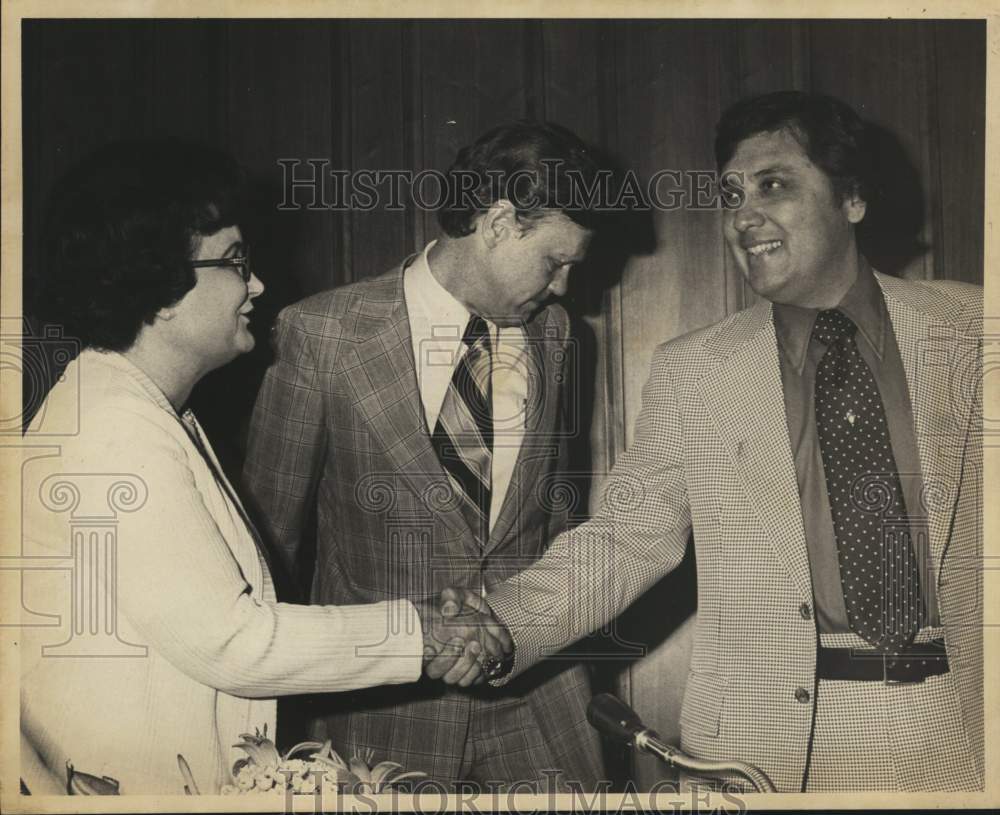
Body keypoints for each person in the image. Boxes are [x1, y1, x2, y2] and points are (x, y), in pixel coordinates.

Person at [448, 91, 984, 792]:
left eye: (774, 185)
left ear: (851, 198)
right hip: (770, 747)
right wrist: (499, 624)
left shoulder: (975, 326)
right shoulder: (696, 371)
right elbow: (626, 537)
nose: (743, 214)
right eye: (731, 193)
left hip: (960, 727)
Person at [19, 141, 501, 796]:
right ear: (159, 286)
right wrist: (423, 631)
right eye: (236, 262)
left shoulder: (144, 411)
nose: (257, 285)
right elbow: (234, 642)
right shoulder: (113, 426)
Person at [243, 121, 606, 791]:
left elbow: (554, 522)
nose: (562, 288)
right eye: (556, 261)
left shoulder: (556, 334)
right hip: (381, 712)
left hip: (538, 696)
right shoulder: (323, 332)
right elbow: (267, 544)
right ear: (499, 222)